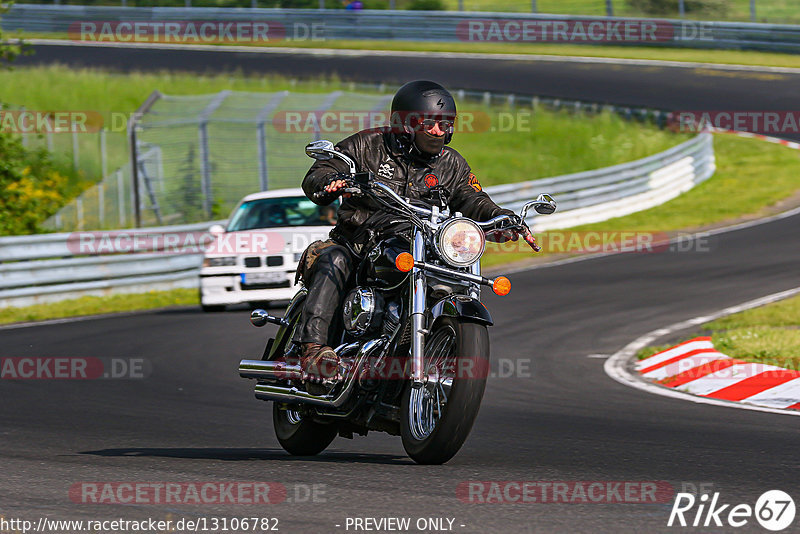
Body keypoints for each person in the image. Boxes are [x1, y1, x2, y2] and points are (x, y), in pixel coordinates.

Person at [295, 80, 525, 381]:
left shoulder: (451, 164)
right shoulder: (369, 144)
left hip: (418, 241)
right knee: (333, 259)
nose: (438, 132)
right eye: (429, 124)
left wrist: (501, 217)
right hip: (359, 242)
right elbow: (326, 166)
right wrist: (331, 179)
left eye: (445, 124)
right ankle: (313, 349)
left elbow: (472, 196)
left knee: (448, 269)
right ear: (404, 123)